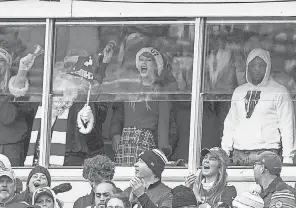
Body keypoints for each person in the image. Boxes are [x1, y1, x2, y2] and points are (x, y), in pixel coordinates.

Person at [222, 48, 295, 165]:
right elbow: (231, 123)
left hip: (267, 152)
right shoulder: (239, 91)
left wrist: (288, 157)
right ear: (247, 67)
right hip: (239, 153)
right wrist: (225, 150)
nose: (257, 69)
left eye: (261, 65)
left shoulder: (279, 91)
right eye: (253, 65)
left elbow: (287, 125)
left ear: (268, 67)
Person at [110, 47, 172, 166]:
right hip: (125, 141)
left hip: (145, 141)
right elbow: (118, 115)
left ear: (156, 65)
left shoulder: (160, 93)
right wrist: (115, 134)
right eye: (141, 59)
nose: (143, 62)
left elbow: (164, 124)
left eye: (148, 60)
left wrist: (162, 151)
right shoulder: (128, 89)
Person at [0, 46, 38, 166]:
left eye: (1, 60)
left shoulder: (15, 83)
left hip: (10, 144)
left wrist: (22, 70)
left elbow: (7, 117)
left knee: (11, 179)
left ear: (8, 64)